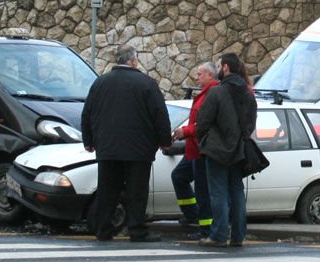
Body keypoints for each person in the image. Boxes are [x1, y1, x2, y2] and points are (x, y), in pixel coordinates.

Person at [81, 43, 172, 243]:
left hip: (108, 148)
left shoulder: (100, 83)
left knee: (107, 189)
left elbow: (87, 112)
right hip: (138, 149)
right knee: (136, 191)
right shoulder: (146, 83)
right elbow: (160, 115)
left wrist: (88, 140)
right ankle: (137, 230)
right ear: (132, 61)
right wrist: (165, 141)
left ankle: (103, 229)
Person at [195, 52, 257, 248]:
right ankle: (238, 235)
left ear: (226, 68)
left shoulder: (217, 92)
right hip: (239, 150)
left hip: (217, 150)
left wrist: (204, 139)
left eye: (219, 65)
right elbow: (250, 123)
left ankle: (219, 235)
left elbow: (203, 122)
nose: (219, 68)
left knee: (218, 193)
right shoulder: (248, 92)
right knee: (237, 192)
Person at [170, 61, 218, 240]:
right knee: (179, 177)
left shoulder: (211, 95)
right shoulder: (204, 94)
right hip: (193, 149)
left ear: (210, 76)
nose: (196, 78)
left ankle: (205, 229)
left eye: (200, 74)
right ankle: (192, 214)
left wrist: (185, 132)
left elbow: (203, 125)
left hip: (201, 151)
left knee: (203, 192)